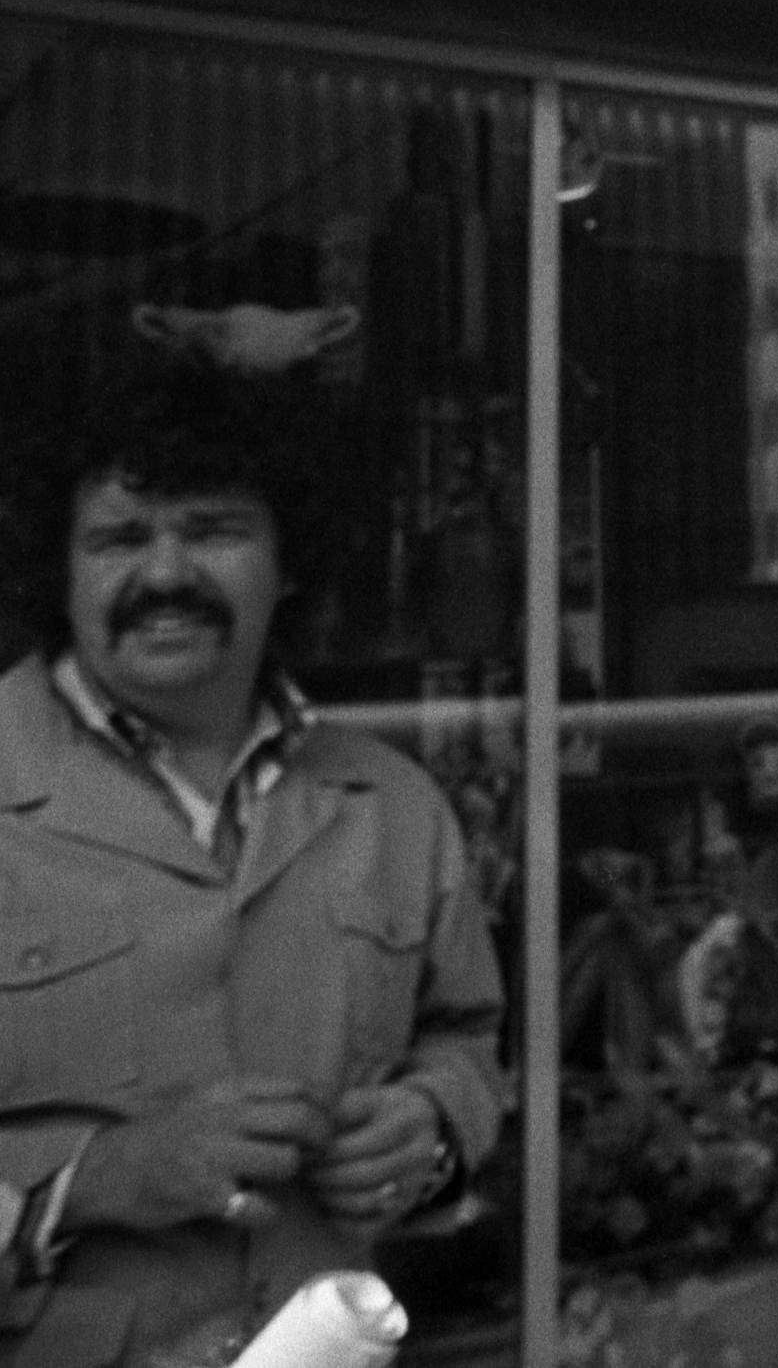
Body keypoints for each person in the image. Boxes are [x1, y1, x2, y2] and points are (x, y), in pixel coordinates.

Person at [0, 360, 507, 1368]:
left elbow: (466, 1041)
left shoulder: (392, 806)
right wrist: (85, 1184)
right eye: (119, 538)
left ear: (290, 563)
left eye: (214, 531)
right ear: (59, 571)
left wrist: (431, 1128)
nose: (165, 573)